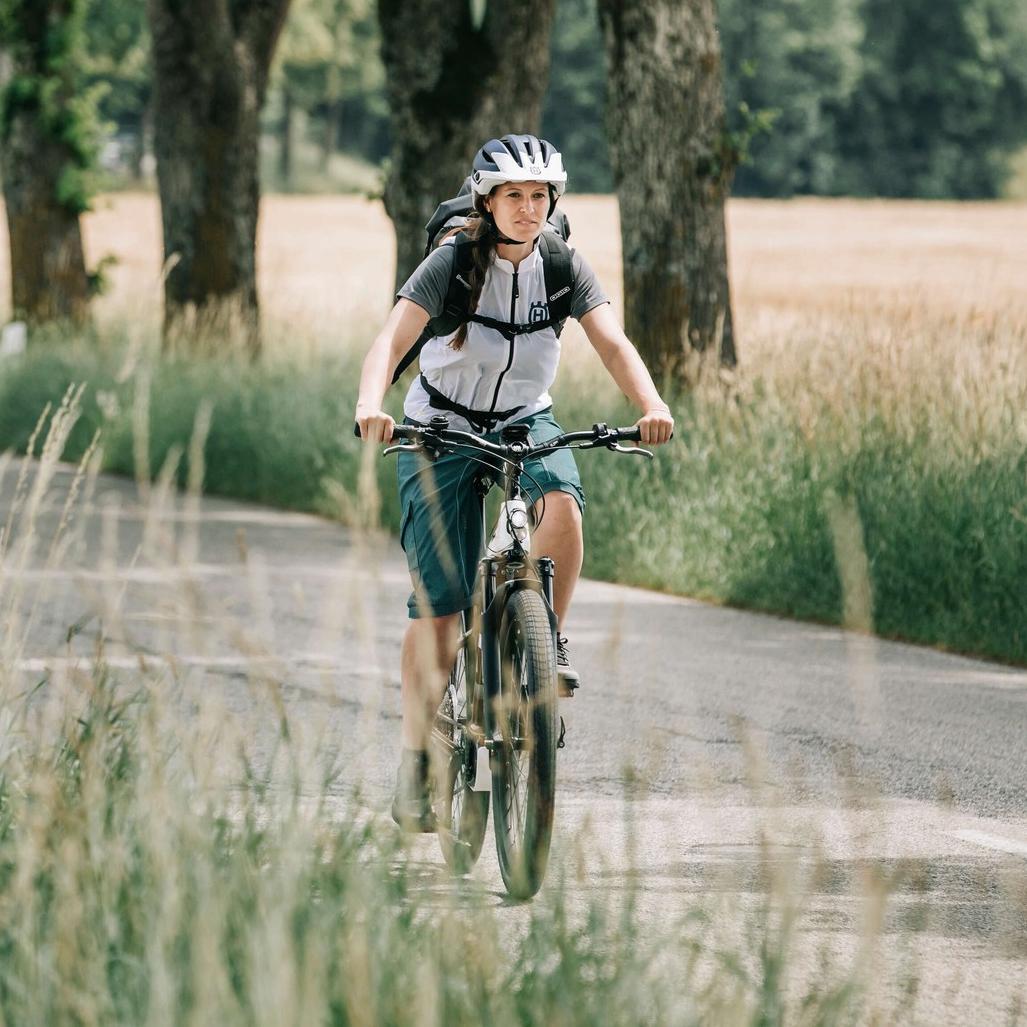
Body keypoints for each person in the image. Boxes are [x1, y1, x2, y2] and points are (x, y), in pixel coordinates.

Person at [355, 134, 674, 830]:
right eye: (513, 197)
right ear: (487, 201)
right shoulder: (451, 264)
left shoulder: (561, 265)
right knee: (439, 609)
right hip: (439, 425)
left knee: (561, 503)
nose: (528, 210)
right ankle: (417, 758)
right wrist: (370, 405)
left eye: (538, 197)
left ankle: (540, 645)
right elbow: (390, 338)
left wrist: (649, 405)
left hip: (525, 418)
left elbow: (612, 341)